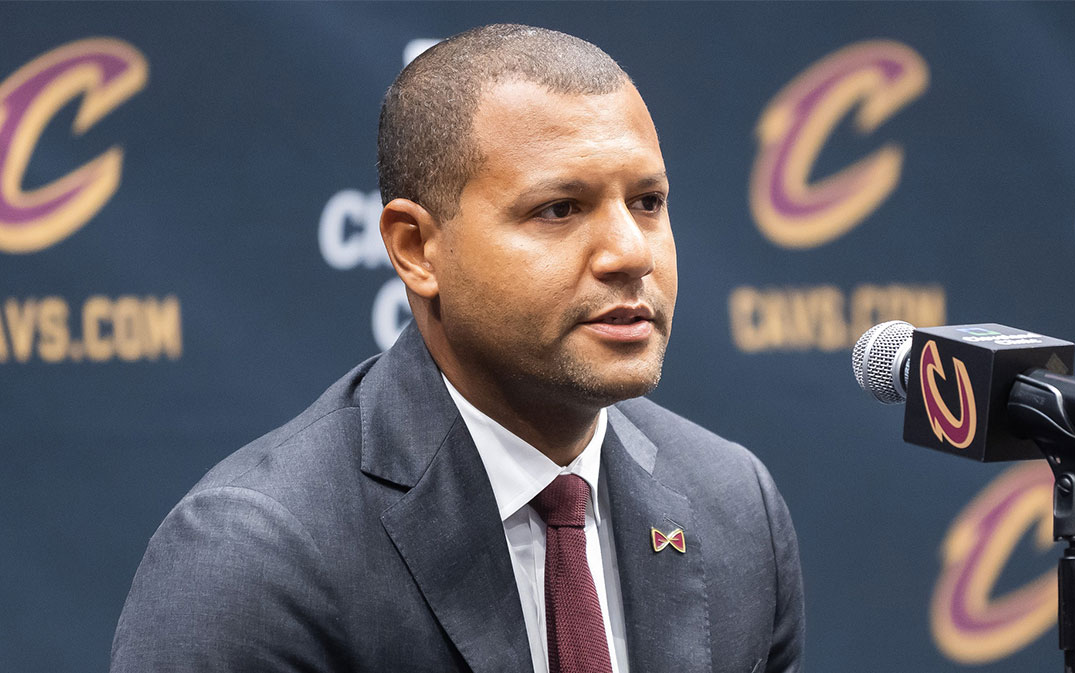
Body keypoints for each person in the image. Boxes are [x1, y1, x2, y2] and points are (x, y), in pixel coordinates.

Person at [112, 24, 803, 673]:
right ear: (416, 248)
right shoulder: (254, 558)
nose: (630, 252)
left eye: (648, 202)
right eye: (559, 209)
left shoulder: (736, 506)